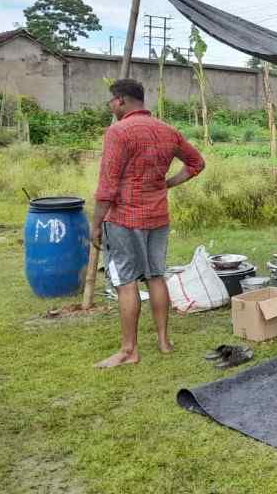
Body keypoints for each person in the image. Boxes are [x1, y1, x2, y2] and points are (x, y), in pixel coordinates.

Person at [91, 78, 205, 369]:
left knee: (127, 282)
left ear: (121, 101)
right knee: (156, 276)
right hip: (157, 217)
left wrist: (95, 224)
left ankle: (129, 350)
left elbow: (108, 185)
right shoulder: (168, 131)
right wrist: (167, 184)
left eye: (111, 102)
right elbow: (196, 163)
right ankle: (164, 341)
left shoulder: (118, 132)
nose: (111, 106)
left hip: (125, 218)